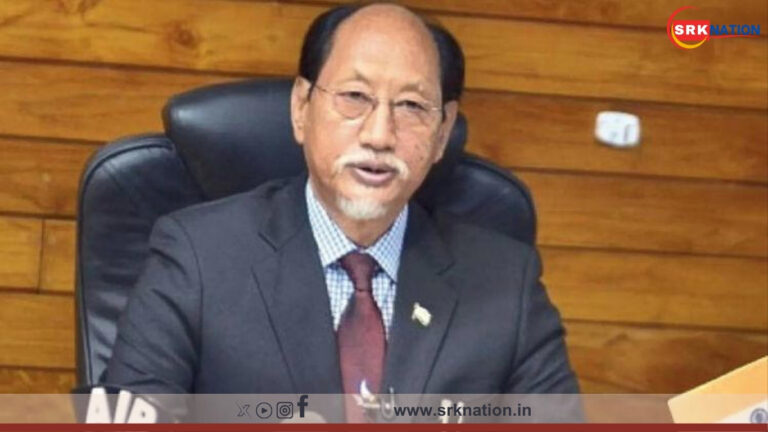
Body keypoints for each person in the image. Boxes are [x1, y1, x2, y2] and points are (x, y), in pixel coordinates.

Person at [104, 1, 579, 422]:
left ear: (442, 131)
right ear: (301, 107)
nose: (379, 134)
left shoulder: (506, 286)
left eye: (411, 106)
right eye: (355, 97)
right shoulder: (198, 257)